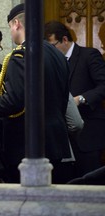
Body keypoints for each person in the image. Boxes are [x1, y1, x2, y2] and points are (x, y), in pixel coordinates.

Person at [0, 3, 72, 184]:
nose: (11, 32)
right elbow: (63, 100)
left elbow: (15, 102)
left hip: (27, 146)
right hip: (56, 143)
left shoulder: (20, 56)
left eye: (10, 27)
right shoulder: (56, 54)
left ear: (16, 23)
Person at [44, 21, 105, 178]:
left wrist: (82, 99)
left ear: (64, 40)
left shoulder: (89, 55)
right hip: (62, 139)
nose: (49, 51)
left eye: (52, 45)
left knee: (89, 184)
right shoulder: (50, 62)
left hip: (88, 134)